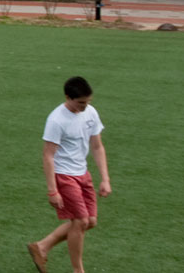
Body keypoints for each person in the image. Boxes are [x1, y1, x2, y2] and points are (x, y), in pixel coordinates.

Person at [27, 76, 111, 273]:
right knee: (80, 221)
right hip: (64, 175)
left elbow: (97, 146)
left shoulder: (90, 112)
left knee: (90, 222)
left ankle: (42, 247)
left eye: (87, 102)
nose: (84, 106)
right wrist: (52, 191)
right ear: (68, 97)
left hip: (82, 173)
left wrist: (105, 179)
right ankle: (78, 270)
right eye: (80, 102)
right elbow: (48, 155)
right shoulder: (57, 120)